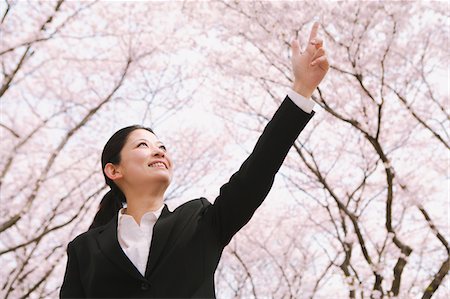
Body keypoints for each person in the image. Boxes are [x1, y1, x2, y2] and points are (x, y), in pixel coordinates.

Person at [60, 21, 329, 298]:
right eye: (143, 145)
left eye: (161, 146)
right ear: (114, 170)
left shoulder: (199, 221)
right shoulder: (85, 250)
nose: (159, 151)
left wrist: (301, 90)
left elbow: (257, 172)